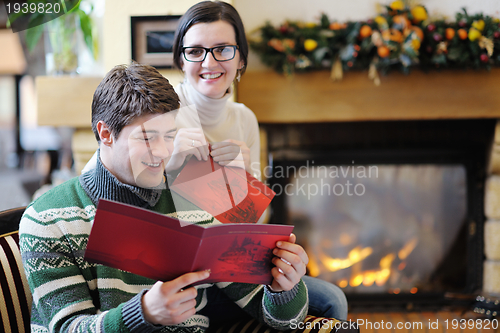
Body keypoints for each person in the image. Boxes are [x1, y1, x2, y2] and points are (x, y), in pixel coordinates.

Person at [82, 0, 347, 320]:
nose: (209, 62)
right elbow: (97, 182)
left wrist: (242, 179)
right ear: (181, 58)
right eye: (196, 51)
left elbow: (252, 228)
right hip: (165, 274)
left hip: (226, 270)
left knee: (331, 298)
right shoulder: (160, 113)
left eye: (223, 49)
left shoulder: (244, 119)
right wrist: (170, 165)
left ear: (241, 59)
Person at [19, 63, 309, 332]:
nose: (162, 152)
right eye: (147, 138)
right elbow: (68, 328)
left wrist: (284, 289)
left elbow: (277, 318)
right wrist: (142, 312)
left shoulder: (193, 198)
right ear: (105, 134)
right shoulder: (48, 219)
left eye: (169, 136)